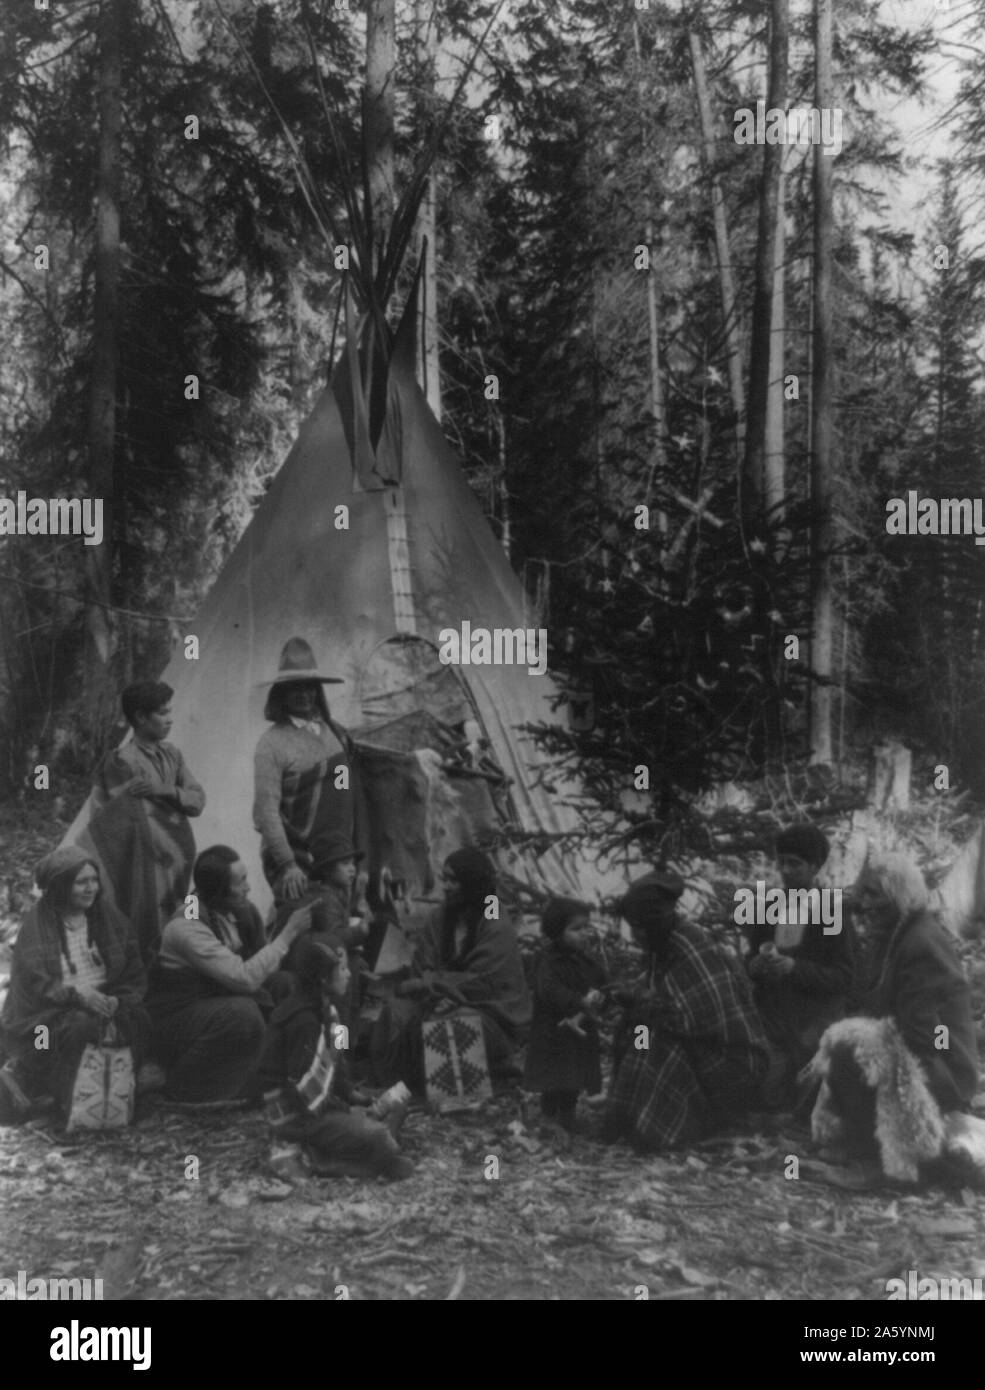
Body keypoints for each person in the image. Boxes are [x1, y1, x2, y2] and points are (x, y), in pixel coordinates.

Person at [807, 853, 979, 1180]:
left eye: (874, 895)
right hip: (924, 1053)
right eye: (864, 893)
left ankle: (871, 1154)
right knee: (832, 1055)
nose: (864, 904)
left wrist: (855, 1040)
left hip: (942, 1065)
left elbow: (926, 1034)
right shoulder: (895, 937)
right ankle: (866, 1141)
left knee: (848, 1053)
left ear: (897, 896)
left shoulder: (921, 944)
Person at [604, 870, 769, 1151]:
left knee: (655, 1042)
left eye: (638, 927)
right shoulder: (666, 944)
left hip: (737, 1063)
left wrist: (636, 1002)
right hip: (710, 1047)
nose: (635, 934)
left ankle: (656, 1129)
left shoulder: (688, 947)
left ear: (652, 925)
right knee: (638, 1030)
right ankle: (629, 1115)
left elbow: (685, 1018)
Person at [147, 845, 312, 1104]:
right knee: (242, 1013)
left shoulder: (233, 910)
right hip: (179, 1020)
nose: (248, 887)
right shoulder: (187, 924)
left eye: (246, 877)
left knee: (285, 985)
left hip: (213, 1003)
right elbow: (244, 978)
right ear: (217, 891)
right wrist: (287, 934)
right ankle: (188, 1087)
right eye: (241, 882)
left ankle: (273, 1074)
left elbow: (263, 964)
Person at [0, 847, 150, 1122]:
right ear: (61, 886)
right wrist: (77, 995)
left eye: (94, 880)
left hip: (103, 1002)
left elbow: (133, 971)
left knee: (137, 1018)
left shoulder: (108, 917)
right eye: (81, 882)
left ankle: (120, 1098)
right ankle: (68, 1104)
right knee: (80, 1026)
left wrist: (119, 1000)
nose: (91, 888)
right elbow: (36, 984)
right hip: (42, 1018)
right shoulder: (37, 923)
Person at [370, 848, 531, 1091]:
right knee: (397, 1011)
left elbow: (486, 979)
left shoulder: (492, 909)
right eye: (444, 878)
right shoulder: (444, 914)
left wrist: (439, 988)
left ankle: (457, 1092)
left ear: (472, 882)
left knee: (454, 1022)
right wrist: (436, 990)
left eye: (453, 880)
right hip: (439, 999)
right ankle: (398, 1085)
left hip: (491, 1013)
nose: (444, 886)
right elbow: (422, 963)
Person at [261, 938, 413, 1180]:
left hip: (325, 1107)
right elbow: (304, 1093)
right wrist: (347, 1112)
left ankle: (365, 1153)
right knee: (378, 1136)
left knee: (399, 1099)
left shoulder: (331, 1013)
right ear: (323, 979)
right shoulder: (303, 1022)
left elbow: (338, 1065)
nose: (349, 975)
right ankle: (322, 1160)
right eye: (342, 969)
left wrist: (356, 1096)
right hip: (298, 1118)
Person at [80, 680, 205, 961]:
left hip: (178, 862)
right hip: (145, 864)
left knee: (174, 923)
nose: (170, 719)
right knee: (145, 925)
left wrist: (166, 790)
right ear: (139, 717)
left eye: (170, 711)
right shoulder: (122, 762)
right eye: (162, 713)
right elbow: (116, 822)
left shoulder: (172, 754)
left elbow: (197, 800)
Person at [744, 823, 855, 1106]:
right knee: (763, 1094)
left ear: (815, 867)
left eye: (795, 864)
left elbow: (845, 976)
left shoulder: (832, 910)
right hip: (772, 1018)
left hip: (815, 1019)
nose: (786, 870)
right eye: (781, 862)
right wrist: (754, 966)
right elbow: (749, 959)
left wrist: (795, 968)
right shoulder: (768, 906)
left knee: (806, 1094)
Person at [253, 637, 361, 905]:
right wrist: (288, 863)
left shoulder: (335, 734)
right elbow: (267, 811)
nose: (303, 695)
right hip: (296, 858)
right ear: (281, 694)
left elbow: (344, 793)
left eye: (309, 687)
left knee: (336, 929)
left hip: (335, 858)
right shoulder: (271, 743)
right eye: (294, 689)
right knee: (299, 926)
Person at [523, 898, 606, 1133]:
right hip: (554, 1032)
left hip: (579, 1032)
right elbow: (548, 990)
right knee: (553, 1079)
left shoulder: (585, 961)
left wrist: (602, 997)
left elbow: (602, 983)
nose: (584, 934)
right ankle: (548, 1117)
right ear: (557, 931)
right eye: (576, 929)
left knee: (574, 1077)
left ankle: (568, 1116)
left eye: (586, 928)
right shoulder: (547, 961)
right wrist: (577, 1001)